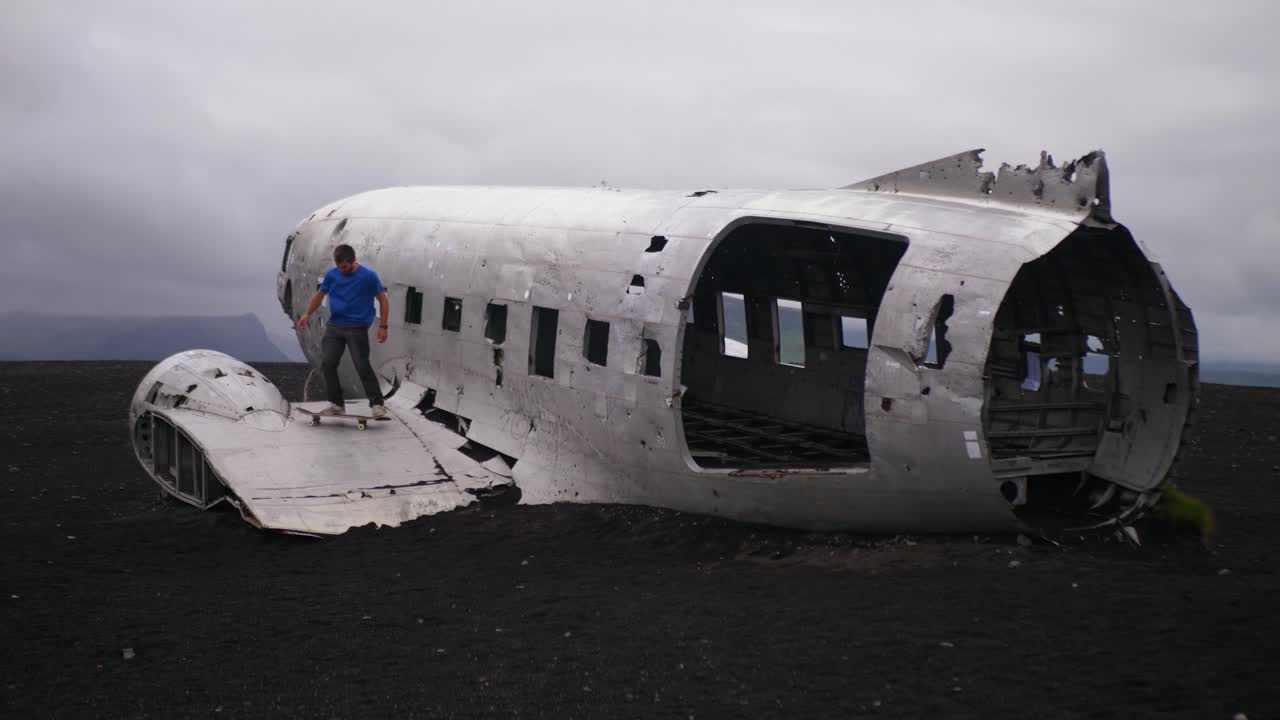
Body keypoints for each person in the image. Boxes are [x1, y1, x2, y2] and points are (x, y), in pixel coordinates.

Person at [296, 244, 390, 418]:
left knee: (362, 365)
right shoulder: (332, 275)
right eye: (340, 268)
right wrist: (307, 314)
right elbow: (320, 295)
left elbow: (383, 300)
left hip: (357, 327)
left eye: (346, 267)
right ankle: (337, 404)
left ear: (353, 261)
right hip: (335, 326)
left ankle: (377, 404)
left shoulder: (369, 276)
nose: (343, 271)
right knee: (327, 363)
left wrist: (383, 327)